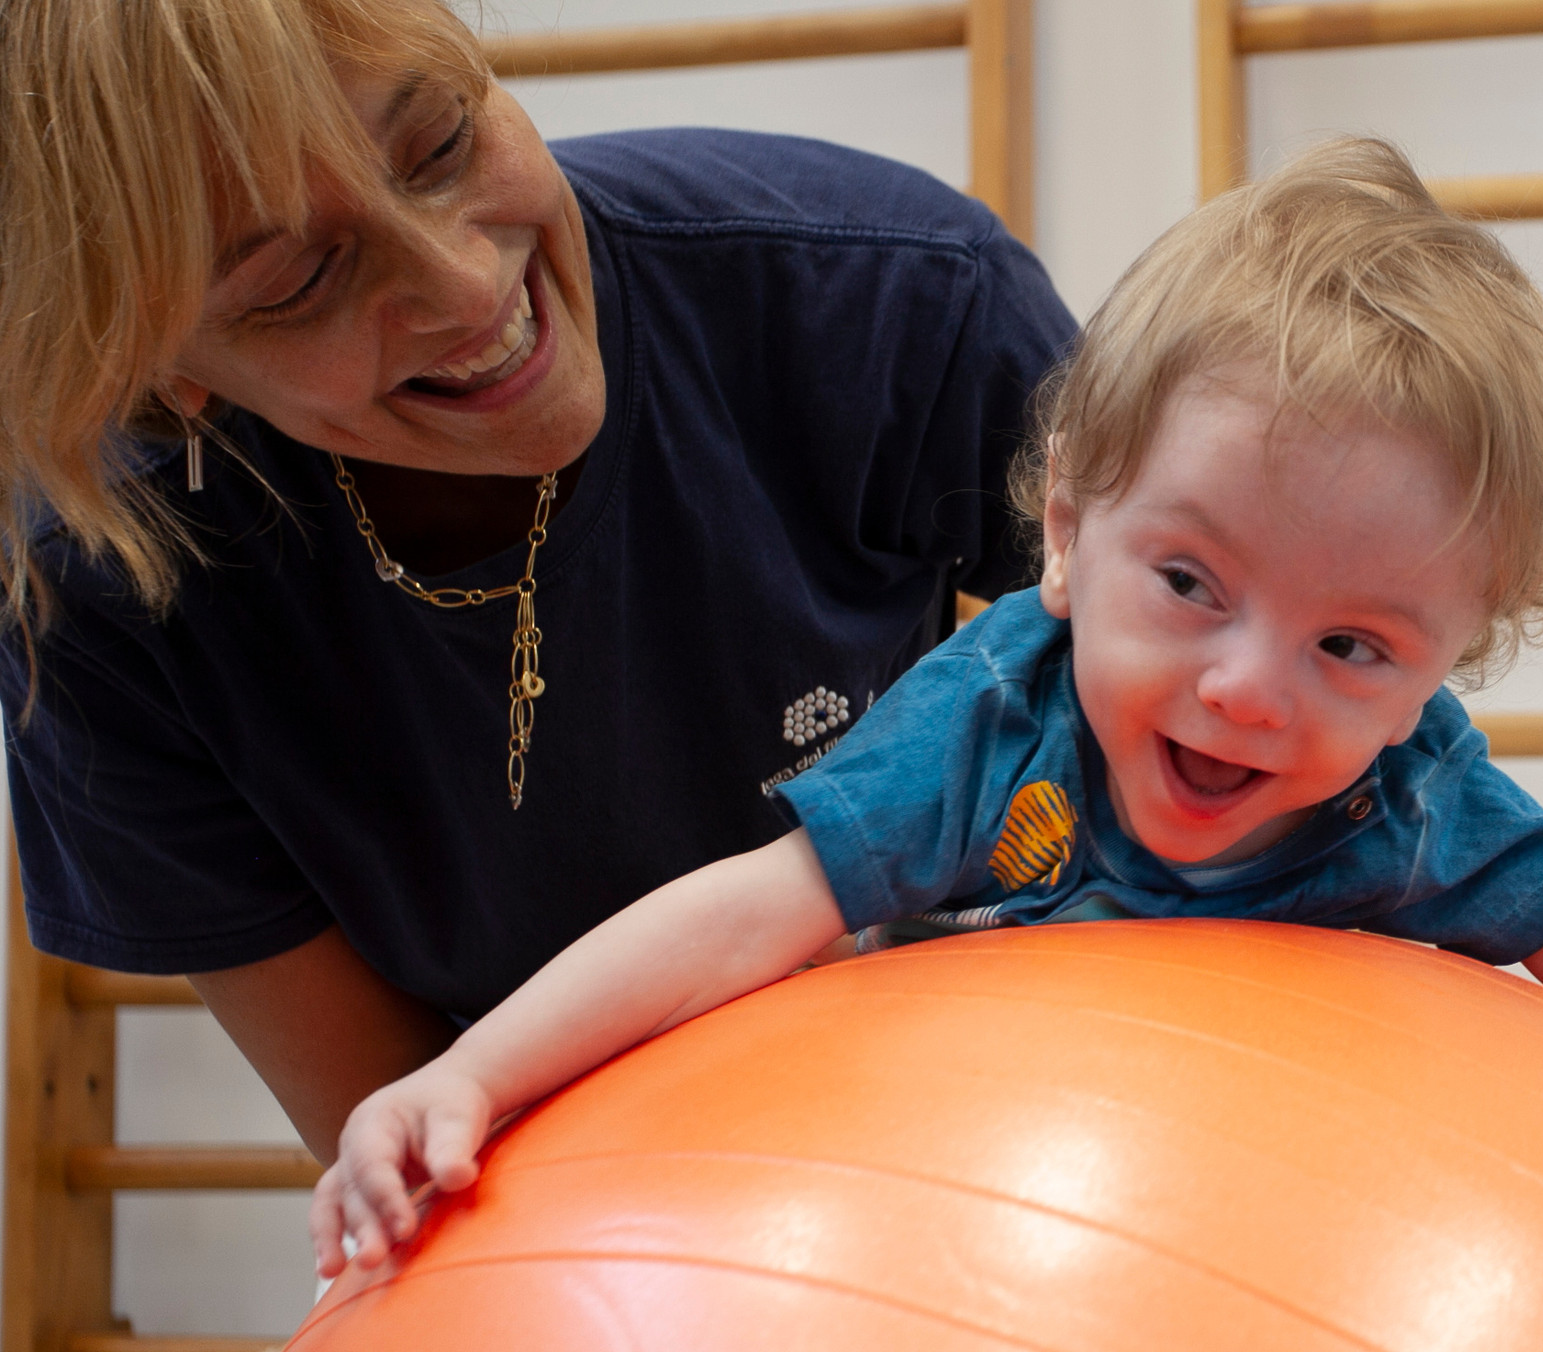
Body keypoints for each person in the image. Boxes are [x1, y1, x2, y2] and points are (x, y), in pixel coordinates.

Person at [310, 137, 1543, 1274]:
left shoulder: (1412, 795)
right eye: (1193, 586)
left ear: (1450, 665)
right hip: (979, 1212)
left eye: (1354, 649)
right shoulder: (994, 721)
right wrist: (475, 1076)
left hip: (1287, 1229)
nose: (1245, 690)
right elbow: (751, 914)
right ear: (1068, 534)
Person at [0, 0, 1074, 1158]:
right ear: (168, 370)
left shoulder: (885, 294)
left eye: (443, 145)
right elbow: (410, 1145)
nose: (463, 286)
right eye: (304, 278)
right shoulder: (104, 590)